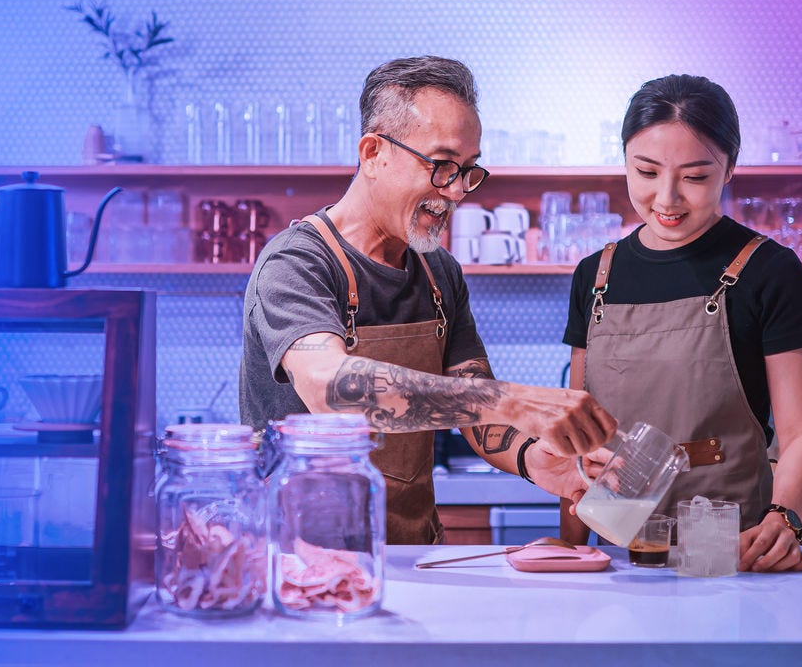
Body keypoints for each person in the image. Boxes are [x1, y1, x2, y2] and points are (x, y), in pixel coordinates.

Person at [241, 56, 618, 545]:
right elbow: (330, 388)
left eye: (468, 170)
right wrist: (519, 399)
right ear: (373, 152)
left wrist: (534, 460)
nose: (458, 191)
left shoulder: (439, 272)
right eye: (441, 166)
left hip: (409, 552)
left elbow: (474, 407)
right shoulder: (297, 263)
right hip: (299, 562)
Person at [553, 74, 802, 572]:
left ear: (730, 170)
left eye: (696, 177)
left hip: (732, 549)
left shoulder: (771, 271)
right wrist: (573, 549)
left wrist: (784, 519)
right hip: (617, 555)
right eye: (647, 171)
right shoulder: (595, 276)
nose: (667, 198)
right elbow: (581, 436)